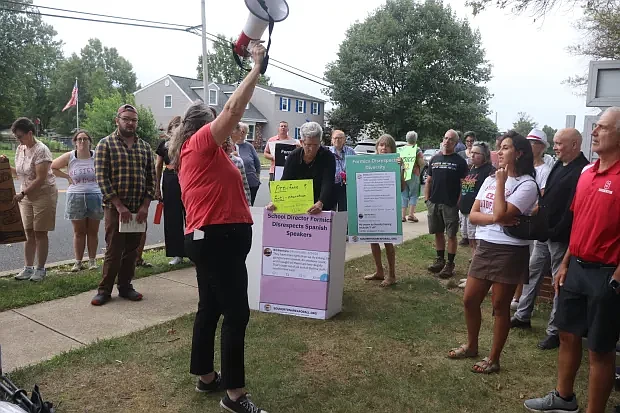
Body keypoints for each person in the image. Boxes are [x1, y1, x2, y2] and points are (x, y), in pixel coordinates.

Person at [167, 43, 268, 413]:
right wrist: (256, 68)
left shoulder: (202, 154)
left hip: (212, 238)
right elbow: (233, 109)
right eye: (214, 123)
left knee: (210, 307)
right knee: (236, 313)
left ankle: (206, 376)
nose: (225, 128)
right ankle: (235, 395)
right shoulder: (199, 145)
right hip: (218, 240)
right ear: (201, 126)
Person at [524, 107, 620, 413]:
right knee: (567, 334)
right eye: (596, 127)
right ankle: (564, 398)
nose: (594, 132)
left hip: (607, 274)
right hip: (575, 266)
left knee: (600, 350)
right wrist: (565, 262)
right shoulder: (587, 173)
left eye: (602, 127)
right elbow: (578, 224)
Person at [447, 131, 538, 374]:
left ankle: (494, 358)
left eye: (506, 147)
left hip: (509, 250)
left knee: (500, 306)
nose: (500, 152)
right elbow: (475, 215)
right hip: (486, 246)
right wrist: (496, 218)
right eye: (500, 147)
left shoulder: (527, 184)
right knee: (470, 300)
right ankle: (472, 345)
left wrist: (501, 184)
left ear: (519, 153)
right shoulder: (488, 179)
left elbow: (501, 213)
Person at [510, 128, 589, 351]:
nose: (555, 147)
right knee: (532, 271)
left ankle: (554, 331)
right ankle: (522, 314)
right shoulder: (558, 164)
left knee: (557, 282)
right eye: (554, 143)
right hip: (544, 232)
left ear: (574, 145)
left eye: (559, 143)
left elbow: (572, 208)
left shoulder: (581, 170)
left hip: (560, 236)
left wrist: (556, 230)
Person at [91, 104, 155, 306]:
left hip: (138, 210)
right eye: (126, 118)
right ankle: (104, 290)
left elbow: (152, 178)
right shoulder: (105, 145)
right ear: (117, 120)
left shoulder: (144, 147)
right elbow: (102, 178)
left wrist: (145, 206)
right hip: (115, 209)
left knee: (133, 250)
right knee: (114, 250)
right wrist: (120, 207)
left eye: (133, 120)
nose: (130, 123)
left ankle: (126, 287)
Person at [2, 117, 58, 282]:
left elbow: (40, 178)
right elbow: (19, 172)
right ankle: (28, 268)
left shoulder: (42, 150)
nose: (18, 140)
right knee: (28, 232)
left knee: (40, 232)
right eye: (16, 137)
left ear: (30, 133)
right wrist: (4, 164)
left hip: (43, 194)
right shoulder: (21, 148)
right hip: (26, 195)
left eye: (20, 136)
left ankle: (40, 269)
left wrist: (23, 193)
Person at [510, 128, 552, 310]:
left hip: (528, 222)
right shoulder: (521, 167)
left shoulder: (545, 170)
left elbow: (542, 199)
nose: (529, 145)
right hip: (514, 218)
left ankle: (519, 297)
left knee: (527, 262)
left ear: (542, 147)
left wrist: (526, 214)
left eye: (533, 143)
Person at [51, 130, 103, 272]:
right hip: (76, 197)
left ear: (89, 142)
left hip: (95, 196)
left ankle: (92, 261)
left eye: (85, 139)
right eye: (79, 139)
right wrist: (67, 176)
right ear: (74, 142)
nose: (82, 142)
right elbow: (53, 167)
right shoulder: (70, 156)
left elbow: (107, 170)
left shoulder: (96, 156)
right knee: (79, 232)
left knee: (93, 231)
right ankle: (78, 262)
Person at [424, 129, 468, 278]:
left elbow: (465, 185)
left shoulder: (460, 162)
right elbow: (428, 180)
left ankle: (450, 264)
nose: (447, 141)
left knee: (451, 235)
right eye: (445, 138)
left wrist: (459, 202)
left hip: (450, 204)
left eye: (451, 139)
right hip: (434, 202)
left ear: (456, 143)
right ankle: (440, 260)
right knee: (437, 232)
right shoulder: (435, 159)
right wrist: (427, 199)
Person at [266, 122, 336, 214]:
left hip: (322, 204)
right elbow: (285, 181)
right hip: (298, 205)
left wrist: (321, 202)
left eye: (316, 145)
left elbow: (328, 181)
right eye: (308, 145)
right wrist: (276, 202)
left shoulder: (328, 156)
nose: (312, 149)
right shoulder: (293, 156)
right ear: (302, 142)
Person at [364, 134, 401, 287]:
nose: (384, 148)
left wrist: (400, 170)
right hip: (372, 206)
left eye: (387, 145)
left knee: (388, 241)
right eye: (381, 145)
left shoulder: (396, 163)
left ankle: (392, 275)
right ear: (377, 147)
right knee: (372, 239)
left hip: (387, 207)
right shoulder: (367, 162)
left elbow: (402, 188)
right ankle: (379, 271)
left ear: (392, 148)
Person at [155, 116, 185, 266]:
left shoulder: (188, 142)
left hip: (187, 179)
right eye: (175, 126)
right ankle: (176, 253)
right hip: (170, 180)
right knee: (172, 218)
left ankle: (194, 251)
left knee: (192, 216)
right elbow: (158, 166)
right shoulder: (163, 145)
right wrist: (156, 187)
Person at [457, 141, 495, 259]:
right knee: (469, 239)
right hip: (464, 210)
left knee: (476, 240)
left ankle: (477, 262)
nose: (472, 155)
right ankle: (474, 259)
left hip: (476, 211)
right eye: (471, 152)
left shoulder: (489, 170)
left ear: (484, 156)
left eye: (476, 153)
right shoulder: (472, 169)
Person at [398, 130, 424, 223]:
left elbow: (399, 162)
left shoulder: (401, 149)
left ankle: (402, 215)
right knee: (414, 194)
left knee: (404, 194)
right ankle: (411, 215)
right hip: (414, 174)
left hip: (404, 173)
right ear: (415, 139)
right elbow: (421, 163)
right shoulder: (417, 149)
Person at [232, 122, 262, 206]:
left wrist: (257, 177)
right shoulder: (230, 146)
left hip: (251, 181)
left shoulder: (249, 146)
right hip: (236, 183)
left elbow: (257, 163)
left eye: (244, 132)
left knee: (249, 206)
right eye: (240, 131)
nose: (241, 134)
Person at [329, 129, 356, 211]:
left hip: (345, 185)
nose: (337, 140)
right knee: (330, 209)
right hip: (331, 185)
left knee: (343, 210)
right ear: (332, 140)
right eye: (335, 138)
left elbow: (355, 166)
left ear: (344, 140)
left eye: (340, 138)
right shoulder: (327, 152)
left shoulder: (350, 151)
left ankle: (343, 224)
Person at [223, 137, 251, 206]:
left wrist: (248, 202)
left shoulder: (237, 161)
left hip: (235, 198)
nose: (228, 148)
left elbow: (244, 183)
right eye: (226, 145)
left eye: (229, 145)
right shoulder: (215, 161)